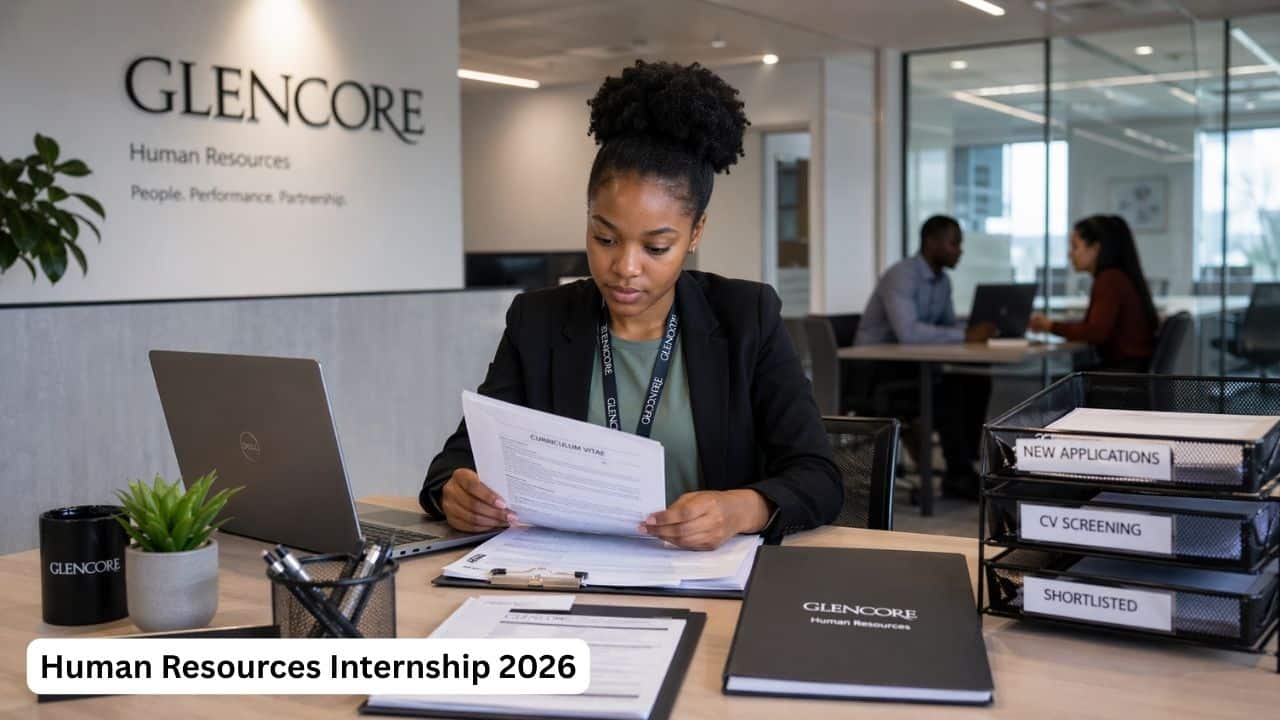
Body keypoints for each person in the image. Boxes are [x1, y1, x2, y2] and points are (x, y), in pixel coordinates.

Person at [420, 60, 841, 550]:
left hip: (706, 576)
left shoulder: (746, 317)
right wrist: (455, 491)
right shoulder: (540, 320)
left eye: (656, 247)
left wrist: (739, 509)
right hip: (567, 572)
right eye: (605, 237)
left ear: (696, 232)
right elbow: (454, 462)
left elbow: (820, 478)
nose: (625, 267)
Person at [853, 215, 995, 499]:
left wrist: (972, 330)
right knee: (948, 391)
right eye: (954, 243)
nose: (960, 251)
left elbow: (943, 327)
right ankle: (959, 472)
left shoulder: (943, 283)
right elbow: (909, 333)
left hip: (912, 367)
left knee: (977, 379)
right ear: (931, 242)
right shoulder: (901, 276)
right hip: (873, 371)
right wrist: (964, 336)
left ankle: (962, 467)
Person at [1029, 214, 1157, 372]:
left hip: (1122, 374)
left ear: (1096, 248)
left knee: (1063, 384)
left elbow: (1096, 332)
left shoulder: (1109, 279)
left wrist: (1050, 326)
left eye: (1075, 247)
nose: (1070, 254)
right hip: (1132, 371)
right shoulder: (1117, 277)